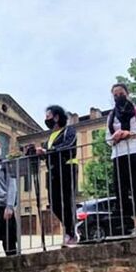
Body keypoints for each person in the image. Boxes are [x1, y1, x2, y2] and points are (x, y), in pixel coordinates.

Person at [105, 83, 136, 238]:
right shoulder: (111, 116)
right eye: (115, 95)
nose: (118, 97)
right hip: (118, 154)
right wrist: (115, 137)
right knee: (121, 191)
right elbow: (107, 139)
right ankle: (128, 224)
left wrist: (131, 134)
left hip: (135, 151)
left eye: (121, 93)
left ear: (127, 94)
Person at [36, 105, 78, 247]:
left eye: (48, 117)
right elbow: (47, 154)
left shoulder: (69, 130)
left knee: (67, 200)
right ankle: (71, 229)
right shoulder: (49, 137)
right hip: (53, 170)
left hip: (67, 166)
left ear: (57, 117)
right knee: (53, 203)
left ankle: (71, 232)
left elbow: (68, 145)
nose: (46, 119)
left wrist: (49, 151)